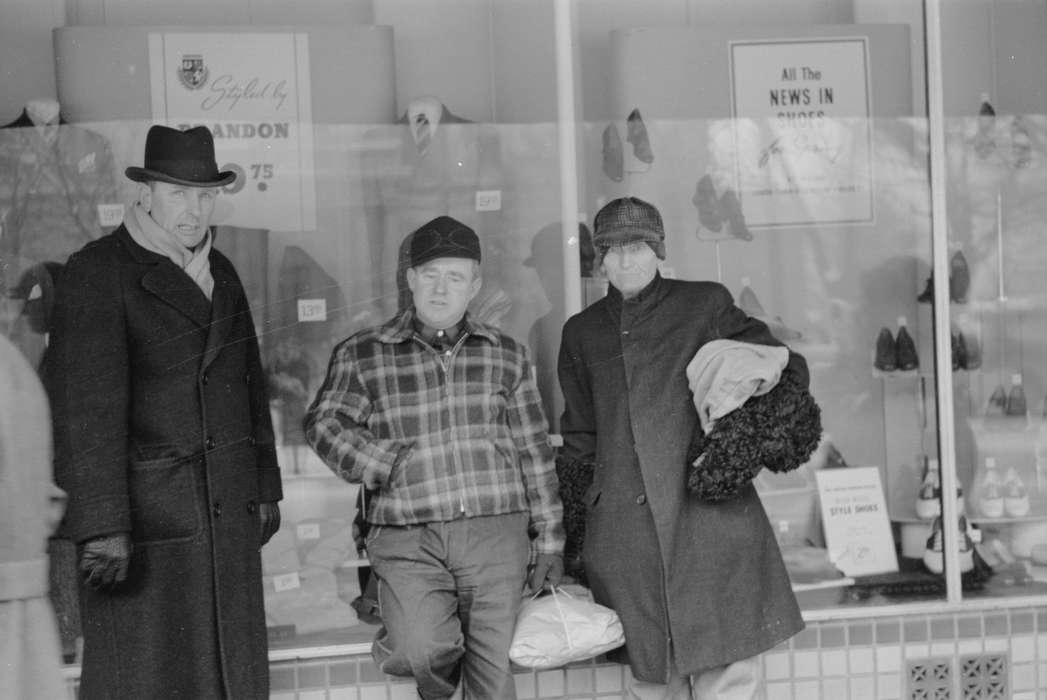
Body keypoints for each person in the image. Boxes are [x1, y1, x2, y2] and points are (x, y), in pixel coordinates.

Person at [44, 125, 283, 699]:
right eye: (178, 193)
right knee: (152, 678)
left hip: (224, 513)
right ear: (145, 195)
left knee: (226, 678)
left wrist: (266, 486)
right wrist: (102, 525)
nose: (194, 210)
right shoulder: (98, 272)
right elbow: (83, 414)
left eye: (205, 195)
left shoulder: (220, 271)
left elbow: (250, 389)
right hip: (147, 528)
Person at [304, 215, 564, 700]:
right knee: (420, 648)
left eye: (456, 277)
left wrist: (549, 541)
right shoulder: (366, 353)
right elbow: (324, 424)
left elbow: (534, 450)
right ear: (410, 280)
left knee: (492, 681)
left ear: (475, 285)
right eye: (430, 275)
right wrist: (385, 463)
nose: (441, 289)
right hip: (408, 537)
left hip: (495, 535)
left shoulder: (505, 353)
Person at [557, 197, 807, 700]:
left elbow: (782, 368)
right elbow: (580, 438)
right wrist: (578, 536)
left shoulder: (704, 304)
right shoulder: (581, 332)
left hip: (709, 522)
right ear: (598, 260)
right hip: (626, 537)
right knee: (652, 681)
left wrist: (730, 457)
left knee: (730, 677)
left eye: (638, 247)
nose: (626, 262)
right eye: (612, 250)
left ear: (659, 252)